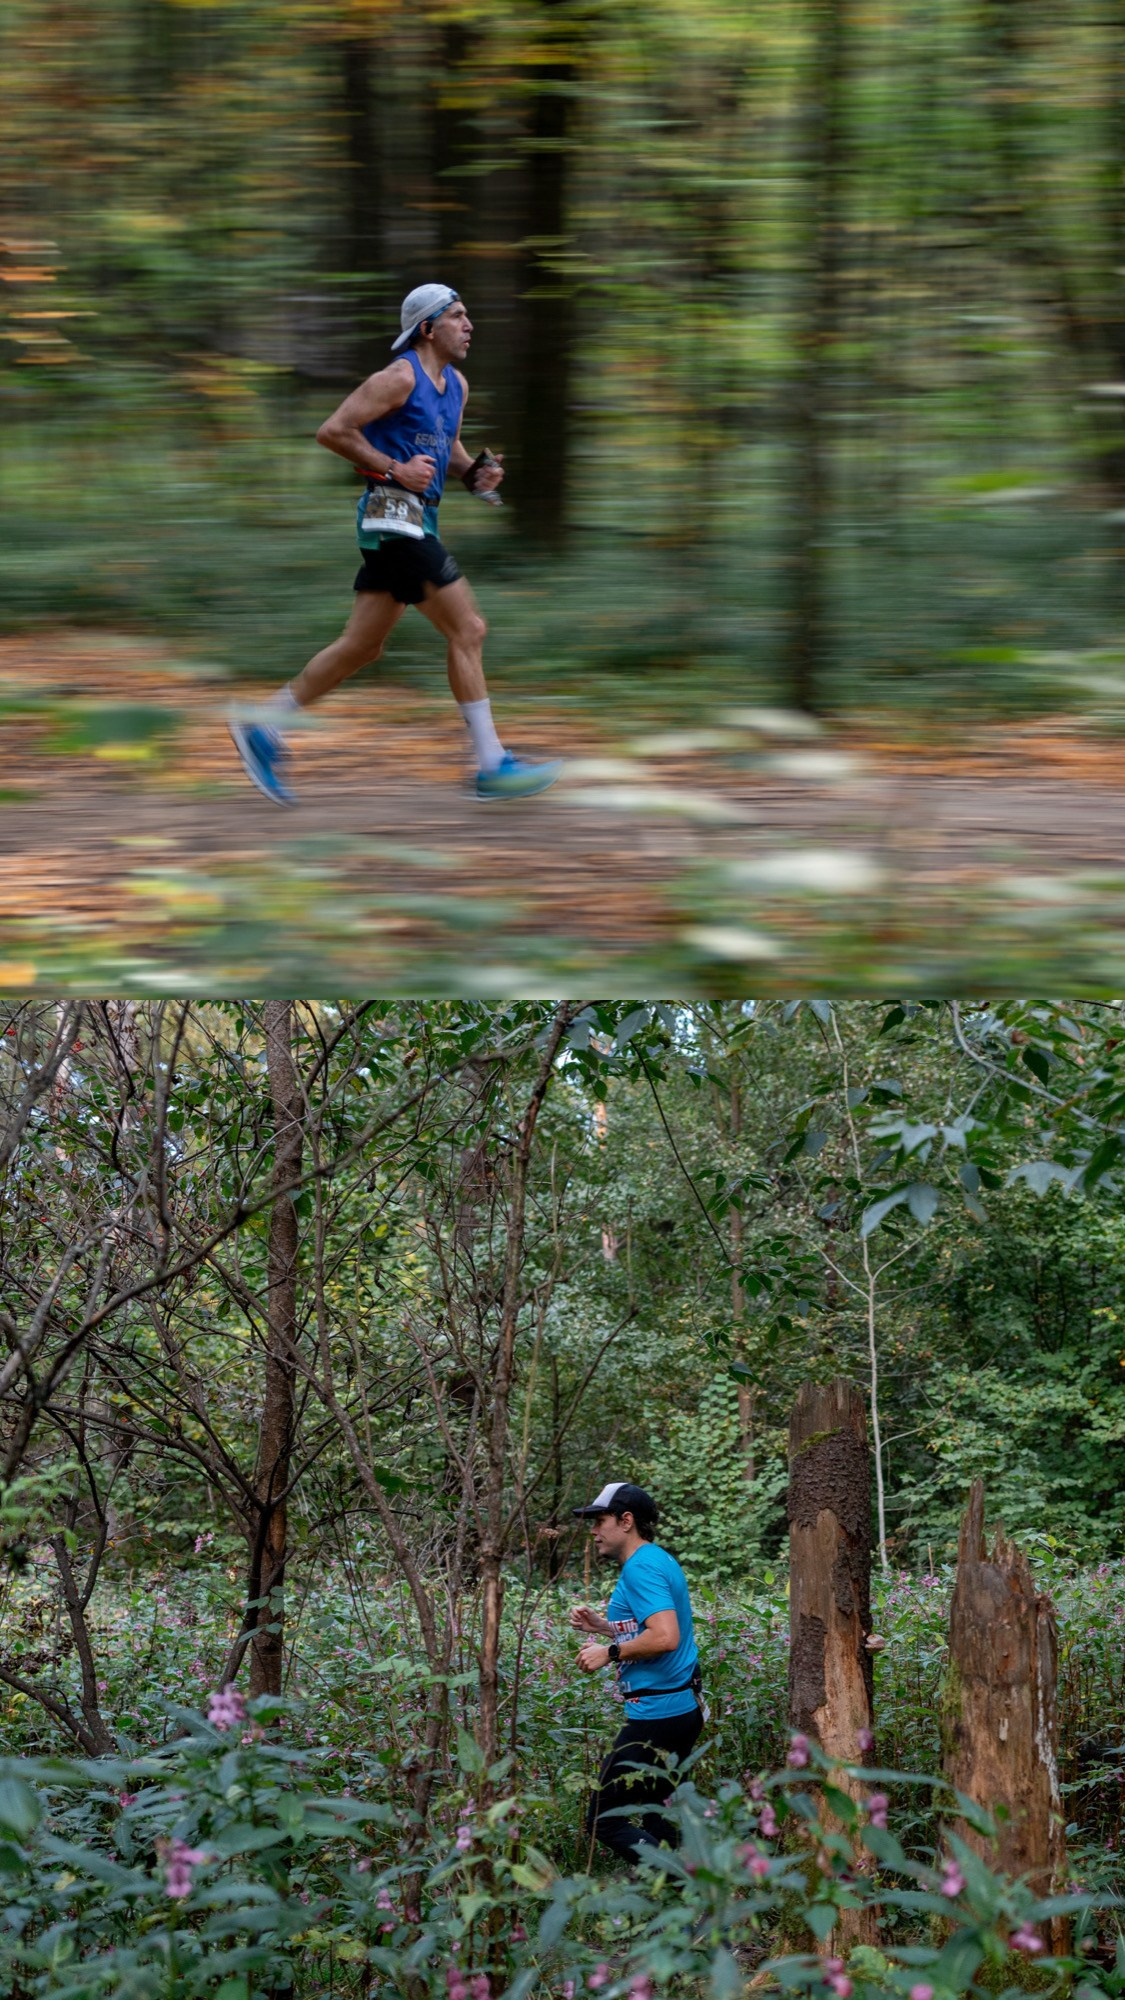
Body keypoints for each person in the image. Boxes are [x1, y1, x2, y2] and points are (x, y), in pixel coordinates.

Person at [229, 282, 562, 806]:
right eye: (457, 316)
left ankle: (263, 727)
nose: (469, 324)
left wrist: (474, 475)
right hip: (391, 518)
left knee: (363, 646)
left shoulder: (457, 386)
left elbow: (447, 450)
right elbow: (333, 430)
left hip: (419, 519)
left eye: (468, 315)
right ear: (428, 328)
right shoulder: (399, 376)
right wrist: (394, 469)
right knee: (469, 628)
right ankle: (493, 764)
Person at [569, 1481, 704, 1863]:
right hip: (678, 1709)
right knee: (659, 1814)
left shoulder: (641, 1568)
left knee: (602, 1819)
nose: (593, 1530)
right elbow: (652, 1627)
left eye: (599, 1520)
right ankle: (680, 1909)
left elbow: (664, 1637)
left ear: (626, 1521)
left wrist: (608, 1652)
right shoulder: (655, 1559)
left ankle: (679, 1878)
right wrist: (603, 1627)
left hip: (657, 1718)